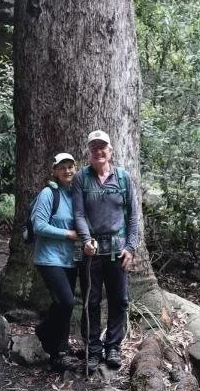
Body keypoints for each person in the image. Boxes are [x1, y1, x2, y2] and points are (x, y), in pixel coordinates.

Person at [71, 129, 140, 371]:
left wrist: (131, 248)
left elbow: (132, 216)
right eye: (94, 147)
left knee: (119, 300)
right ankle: (92, 349)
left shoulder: (123, 178)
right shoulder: (81, 178)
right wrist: (86, 239)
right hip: (91, 252)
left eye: (103, 147)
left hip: (118, 250)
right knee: (90, 300)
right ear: (89, 153)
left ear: (110, 151)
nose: (98, 151)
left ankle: (113, 347)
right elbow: (78, 213)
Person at [31, 152, 81, 372]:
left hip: (70, 259)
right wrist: (68, 234)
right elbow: (39, 226)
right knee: (67, 302)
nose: (67, 170)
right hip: (49, 258)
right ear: (54, 171)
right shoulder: (48, 194)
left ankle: (58, 352)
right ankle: (43, 331)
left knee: (63, 305)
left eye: (70, 166)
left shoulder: (76, 195)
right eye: (62, 167)